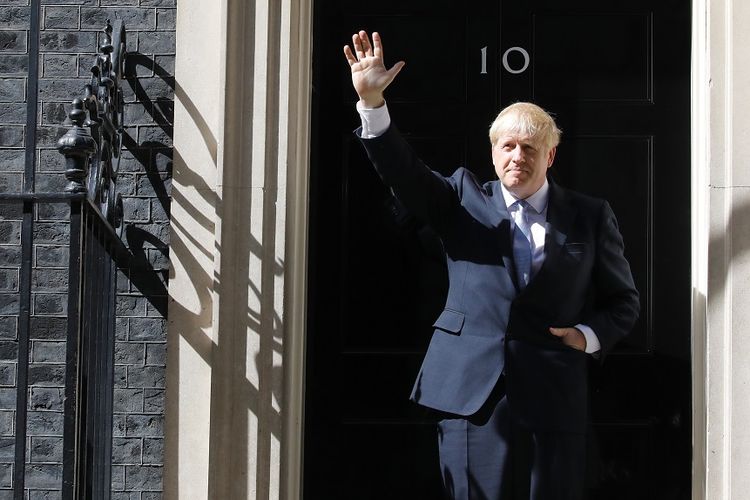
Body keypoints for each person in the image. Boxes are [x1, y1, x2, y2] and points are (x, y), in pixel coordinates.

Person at [344, 31, 640, 500]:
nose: (517, 156)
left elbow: (624, 301)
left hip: (553, 396)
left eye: (529, 147)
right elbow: (404, 173)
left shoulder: (589, 215)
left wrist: (588, 336)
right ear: (493, 153)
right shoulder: (461, 199)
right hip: (471, 396)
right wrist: (372, 104)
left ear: (551, 155)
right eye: (507, 146)